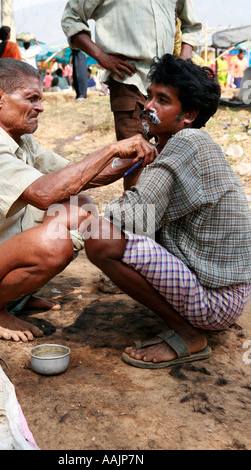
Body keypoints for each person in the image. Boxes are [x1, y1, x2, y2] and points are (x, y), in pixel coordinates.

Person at [0, 57, 155, 342]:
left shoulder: (20, 141)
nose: (41, 107)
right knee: (54, 241)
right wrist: (112, 148)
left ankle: (14, 297)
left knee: (80, 205)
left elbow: (86, 177)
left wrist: (140, 153)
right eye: (32, 98)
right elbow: (46, 193)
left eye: (40, 98)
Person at [83, 54, 251, 369]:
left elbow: (127, 217)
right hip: (228, 294)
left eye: (162, 100)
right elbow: (141, 218)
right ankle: (188, 326)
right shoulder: (176, 144)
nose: (148, 106)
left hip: (218, 301)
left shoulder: (187, 142)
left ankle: (189, 335)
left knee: (98, 237)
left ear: (188, 114)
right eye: (149, 96)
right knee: (108, 231)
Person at [62, 0, 202, 140]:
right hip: (129, 79)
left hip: (168, 82)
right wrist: (101, 56)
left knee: (176, 149)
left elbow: (191, 25)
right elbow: (72, 18)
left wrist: (184, 59)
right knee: (134, 153)